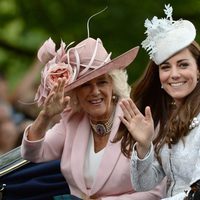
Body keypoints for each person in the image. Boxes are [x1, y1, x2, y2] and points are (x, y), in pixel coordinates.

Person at [20, 32, 167, 199]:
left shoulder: (139, 121)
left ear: (113, 85)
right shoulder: (72, 121)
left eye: (102, 82)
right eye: (86, 85)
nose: (95, 91)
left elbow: (156, 192)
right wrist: (45, 117)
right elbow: (32, 154)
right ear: (76, 93)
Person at [120, 4, 200, 200]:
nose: (174, 74)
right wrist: (144, 145)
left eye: (183, 65)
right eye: (165, 67)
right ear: (159, 77)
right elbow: (144, 184)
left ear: (198, 70)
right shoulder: (170, 119)